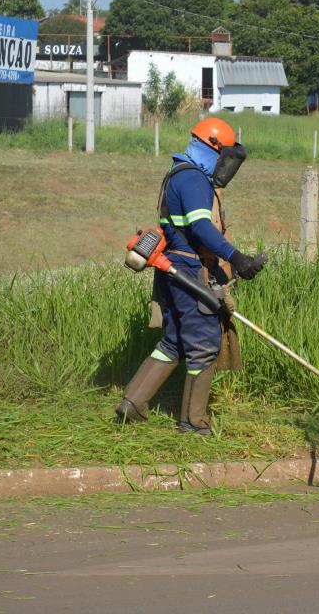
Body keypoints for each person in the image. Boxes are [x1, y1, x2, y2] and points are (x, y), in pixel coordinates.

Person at [116, 117, 265, 434]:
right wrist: (236, 257)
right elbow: (200, 227)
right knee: (203, 347)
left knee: (174, 342)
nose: (225, 165)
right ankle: (193, 423)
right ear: (212, 149)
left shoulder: (176, 174)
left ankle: (133, 402)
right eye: (224, 156)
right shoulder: (195, 180)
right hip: (189, 271)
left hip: (171, 269)